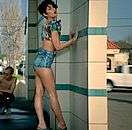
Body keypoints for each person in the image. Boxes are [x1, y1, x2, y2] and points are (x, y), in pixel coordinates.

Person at [34, 0, 78, 130]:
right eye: (49, 8)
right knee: (53, 95)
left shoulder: (46, 24)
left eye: (53, 7)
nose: (53, 9)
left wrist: (67, 39)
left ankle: (41, 124)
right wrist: (72, 41)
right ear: (44, 13)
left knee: (39, 93)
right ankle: (62, 124)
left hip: (38, 61)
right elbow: (57, 46)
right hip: (45, 62)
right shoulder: (53, 25)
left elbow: (50, 43)